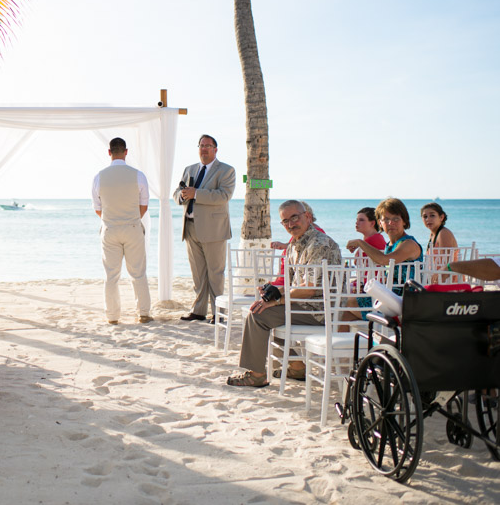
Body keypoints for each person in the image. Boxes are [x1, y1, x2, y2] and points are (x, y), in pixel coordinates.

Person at [226, 200, 342, 387]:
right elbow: (290, 284)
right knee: (262, 309)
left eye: (294, 217)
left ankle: (256, 375)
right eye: (285, 221)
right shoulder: (293, 246)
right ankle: (296, 367)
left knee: (258, 315)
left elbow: (309, 289)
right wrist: (272, 291)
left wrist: (277, 301)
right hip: (303, 306)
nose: (290, 224)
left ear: (308, 217)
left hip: (321, 310)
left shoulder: (319, 244)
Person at [173, 134, 236, 323]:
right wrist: (183, 196)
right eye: (201, 145)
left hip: (214, 230)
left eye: (208, 146)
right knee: (198, 274)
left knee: (215, 274)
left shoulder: (226, 170)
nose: (204, 149)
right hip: (191, 227)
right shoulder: (189, 169)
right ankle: (198, 311)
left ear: (216, 149)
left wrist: (196, 194)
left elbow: (223, 195)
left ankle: (219, 313)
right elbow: (177, 193)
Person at [91, 137, 151, 324]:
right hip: (132, 227)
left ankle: (112, 316)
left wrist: (111, 219)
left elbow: (97, 207)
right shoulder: (138, 175)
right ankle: (143, 313)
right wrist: (131, 219)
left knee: (111, 275)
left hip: (110, 228)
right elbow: (144, 205)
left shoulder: (99, 177)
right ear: (126, 152)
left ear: (109, 152)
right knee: (138, 273)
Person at [342, 198, 424, 322]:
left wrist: (360, 243)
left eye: (396, 218)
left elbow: (384, 260)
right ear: (380, 223)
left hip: (404, 300)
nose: (390, 223)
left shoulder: (409, 243)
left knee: (349, 302)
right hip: (390, 294)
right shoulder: (390, 245)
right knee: (346, 314)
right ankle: (351, 341)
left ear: (404, 221)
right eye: (386, 219)